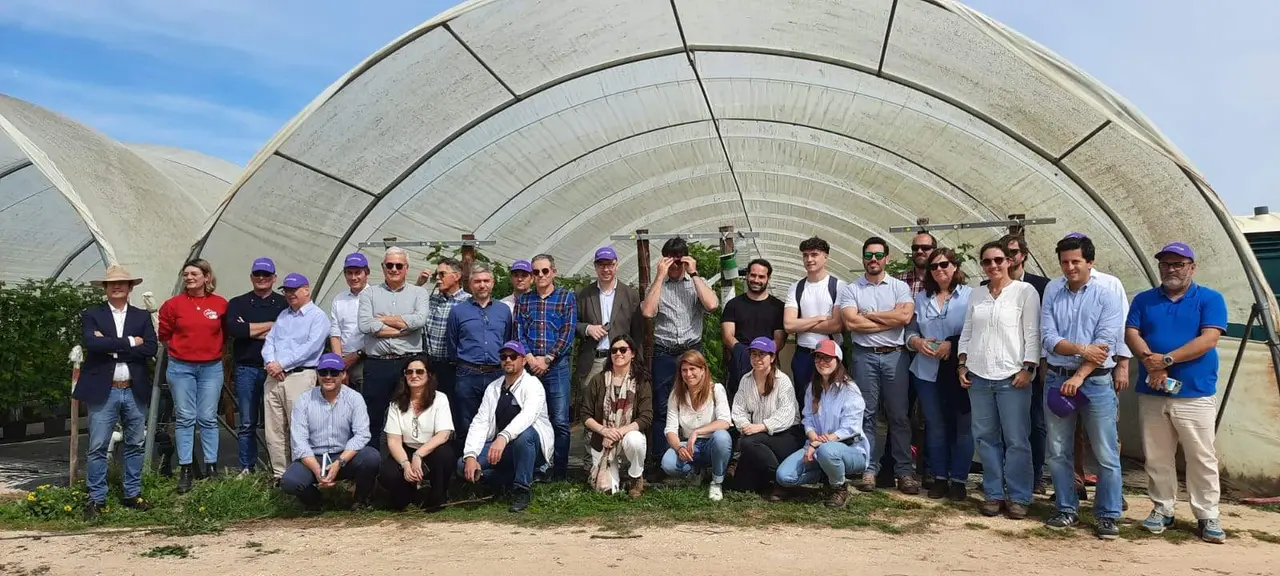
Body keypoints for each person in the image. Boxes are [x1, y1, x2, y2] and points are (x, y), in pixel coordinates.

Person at [1125, 242, 1228, 544]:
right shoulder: (1145, 300)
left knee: (1201, 455)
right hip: (1153, 390)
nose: (1171, 269)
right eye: (1166, 264)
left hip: (1194, 392)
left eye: (1179, 264)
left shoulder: (1209, 298)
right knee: (1157, 455)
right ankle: (1162, 508)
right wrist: (1151, 364)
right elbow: (1132, 332)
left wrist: (1166, 360)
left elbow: (1209, 339)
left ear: (1192, 268)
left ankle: (1207, 514)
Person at [1040, 235, 1126, 539]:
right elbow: (1049, 338)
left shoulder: (1107, 295)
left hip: (1096, 382)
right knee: (1059, 450)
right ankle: (1066, 508)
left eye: (1076, 261)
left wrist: (1079, 375)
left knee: (1104, 451)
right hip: (1057, 377)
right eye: (1065, 261)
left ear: (1090, 262)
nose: (1070, 267)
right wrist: (1081, 348)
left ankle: (1108, 514)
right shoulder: (1053, 289)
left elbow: (1104, 345)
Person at [958, 241, 1041, 519]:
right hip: (979, 375)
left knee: (1017, 438)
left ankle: (1018, 496)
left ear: (1009, 261)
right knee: (985, 437)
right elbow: (967, 331)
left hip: (1011, 376)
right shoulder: (977, 294)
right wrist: (962, 363)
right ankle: (993, 493)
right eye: (987, 262)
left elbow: (1032, 333)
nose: (993, 266)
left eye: (998, 260)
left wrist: (1028, 368)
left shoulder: (1024, 292)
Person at [77, 265, 158, 520]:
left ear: (130, 287)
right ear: (105, 288)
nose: (117, 287)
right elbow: (92, 343)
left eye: (122, 283)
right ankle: (96, 498)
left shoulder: (141, 316)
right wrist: (131, 342)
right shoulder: (92, 314)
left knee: (135, 444)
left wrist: (110, 345)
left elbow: (151, 348)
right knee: (98, 445)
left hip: (133, 388)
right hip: (105, 389)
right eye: (112, 284)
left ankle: (132, 493)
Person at [839, 236, 916, 494]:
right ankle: (869, 468)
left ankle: (904, 471)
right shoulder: (852, 289)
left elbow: (905, 317)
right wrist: (889, 320)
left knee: (899, 416)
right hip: (864, 356)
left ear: (886, 258)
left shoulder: (898, 287)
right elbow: (850, 323)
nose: (873, 260)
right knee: (866, 414)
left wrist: (869, 315)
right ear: (863, 258)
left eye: (878, 255)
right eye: (869, 255)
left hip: (895, 355)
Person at [642, 237, 719, 469]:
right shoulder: (657, 284)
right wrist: (659, 276)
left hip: (691, 350)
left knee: (696, 403)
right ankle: (662, 459)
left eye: (679, 262)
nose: (675, 267)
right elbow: (648, 311)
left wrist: (694, 274)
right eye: (671, 262)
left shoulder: (697, 282)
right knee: (662, 405)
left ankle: (698, 455)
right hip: (665, 352)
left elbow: (712, 305)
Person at [904, 248, 972, 501]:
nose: (939, 270)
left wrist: (951, 344)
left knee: (962, 426)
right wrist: (916, 342)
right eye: (934, 267)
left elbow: (975, 330)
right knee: (935, 425)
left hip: (958, 369)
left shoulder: (971, 296)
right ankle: (940, 477)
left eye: (944, 264)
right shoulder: (922, 298)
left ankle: (959, 480)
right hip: (926, 371)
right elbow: (909, 331)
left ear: (955, 267)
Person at [987, 234, 1051, 494]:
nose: (1008, 259)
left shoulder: (1040, 286)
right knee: (1003, 426)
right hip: (999, 366)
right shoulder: (987, 286)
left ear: (1023, 255)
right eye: (1003, 254)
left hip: (1032, 365)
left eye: (1012, 253)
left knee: (1035, 422)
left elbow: (1042, 328)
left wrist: (1034, 365)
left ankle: (1035, 476)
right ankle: (1002, 477)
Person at [460, 341, 554, 513]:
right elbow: (480, 422)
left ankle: (521, 490)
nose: (508, 360)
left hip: (530, 447)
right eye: (504, 357)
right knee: (462, 464)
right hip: (501, 448)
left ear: (523, 360)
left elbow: (528, 416)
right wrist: (471, 454)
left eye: (513, 356)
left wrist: (503, 437)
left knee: (524, 436)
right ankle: (503, 482)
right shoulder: (493, 387)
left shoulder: (533, 385)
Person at [158, 258, 227, 493]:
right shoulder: (172, 305)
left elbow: (225, 333)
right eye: (186, 274)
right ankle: (185, 469)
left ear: (206, 277)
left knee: (208, 417)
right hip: (181, 368)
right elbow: (165, 334)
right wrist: (182, 352)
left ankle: (211, 468)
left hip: (211, 367)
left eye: (194, 273)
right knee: (186, 417)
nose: (189, 277)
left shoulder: (219, 304)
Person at [775, 340, 870, 508]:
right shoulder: (812, 387)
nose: (822, 362)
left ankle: (839, 488)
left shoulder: (849, 389)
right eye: (818, 358)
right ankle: (826, 475)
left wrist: (818, 443)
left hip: (849, 448)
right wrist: (813, 439)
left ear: (838, 361)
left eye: (827, 358)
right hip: (816, 445)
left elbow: (851, 427)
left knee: (827, 451)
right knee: (784, 476)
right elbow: (808, 419)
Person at [280, 353, 379, 511]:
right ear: (317, 375)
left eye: (334, 372)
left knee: (371, 457)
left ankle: (360, 501)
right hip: (314, 457)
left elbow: (362, 434)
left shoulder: (354, 398)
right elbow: (299, 441)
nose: (328, 377)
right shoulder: (304, 400)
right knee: (289, 482)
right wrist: (317, 470)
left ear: (343, 374)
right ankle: (316, 502)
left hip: (343, 456)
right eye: (323, 372)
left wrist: (339, 463)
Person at [575, 246, 645, 468]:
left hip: (621, 359)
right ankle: (591, 463)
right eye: (601, 265)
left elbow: (637, 332)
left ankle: (621, 462)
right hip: (594, 359)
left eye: (610, 264)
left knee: (623, 408)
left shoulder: (630, 294)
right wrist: (587, 329)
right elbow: (571, 325)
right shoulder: (584, 294)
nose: (606, 269)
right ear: (595, 267)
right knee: (592, 409)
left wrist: (635, 360)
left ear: (616, 265)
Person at [261, 273, 331, 480]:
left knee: (299, 428)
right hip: (274, 376)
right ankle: (279, 475)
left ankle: (303, 474)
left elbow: (310, 348)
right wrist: (271, 363)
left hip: (300, 376)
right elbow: (269, 342)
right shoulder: (283, 316)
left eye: (294, 289)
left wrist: (281, 364)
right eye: (287, 290)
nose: (290, 294)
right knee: (274, 429)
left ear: (306, 290)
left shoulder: (318, 317)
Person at [358, 247, 429, 450]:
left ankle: (409, 468)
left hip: (407, 365)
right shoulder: (369, 293)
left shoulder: (419, 293)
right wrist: (401, 329)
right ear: (383, 267)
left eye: (399, 265)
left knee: (410, 417)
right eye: (390, 265)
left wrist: (381, 320)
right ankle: (370, 468)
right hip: (377, 364)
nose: (394, 269)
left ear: (406, 268)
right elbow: (365, 325)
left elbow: (419, 320)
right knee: (373, 417)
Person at [514, 253, 577, 481]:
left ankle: (559, 472)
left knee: (559, 420)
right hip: (530, 367)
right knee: (530, 418)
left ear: (553, 272)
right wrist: (530, 358)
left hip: (556, 366)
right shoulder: (524, 300)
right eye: (536, 272)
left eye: (544, 271)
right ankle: (535, 467)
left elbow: (567, 332)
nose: (540, 275)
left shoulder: (566, 297)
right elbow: (519, 330)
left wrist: (548, 358)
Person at [224, 257, 287, 476]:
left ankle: (279, 466)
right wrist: (272, 326)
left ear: (274, 278)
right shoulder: (237, 303)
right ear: (251, 277)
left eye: (266, 275)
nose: (262, 278)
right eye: (258, 274)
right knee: (248, 421)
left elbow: (286, 334)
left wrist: (251, 329)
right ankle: (246, 467)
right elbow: (235, 330)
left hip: (277, 369)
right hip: (246, 368)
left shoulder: (284, 303)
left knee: (277, 421)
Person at [447, 262, 512, 448]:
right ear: (470, 284)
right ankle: (465, 467)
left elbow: (507, 340)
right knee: (466, 422)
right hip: (468, 373)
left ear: (492, 283)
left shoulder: (503, 310)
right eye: (477, 281)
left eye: (486, 281)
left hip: (497, 373)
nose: (482, 285)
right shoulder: (458, 311)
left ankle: (492, 467)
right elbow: (452, 343)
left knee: (497, 419)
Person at [729, 337, 802, 499]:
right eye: (753, 354)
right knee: (740, 487)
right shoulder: (746, 380)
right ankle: (768, 478)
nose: (757, 359)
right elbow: (739, 409)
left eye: (762, 354)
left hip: (785, 435)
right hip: (757, 437)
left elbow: (787, 414)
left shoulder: (782, 381)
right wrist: (745, 426)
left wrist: (760, 427)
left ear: (772, 357)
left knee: (747, 442)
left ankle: (782, 481)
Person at [581, 335, 653, 497]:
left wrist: (620, 432)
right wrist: (604, 431)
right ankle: (615, 477)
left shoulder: (641, 381)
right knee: (608, 491)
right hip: (604, 441)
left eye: (623, 350)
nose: (618, 353)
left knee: (634, 439)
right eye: (614, 350)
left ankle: (635, 478)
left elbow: (646, 417)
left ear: (633, 354)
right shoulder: (598, 380)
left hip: (627, 436)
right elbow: (585, 415)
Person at [379, 356, 455, 511]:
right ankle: (408, 494)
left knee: (445, 455)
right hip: (405, 450)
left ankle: (436, 497)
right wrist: (405, 464)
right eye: (409, 372)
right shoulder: (395, 404)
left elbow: (444, 434)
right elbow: (393, 441)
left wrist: (418, 455)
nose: (414, 376)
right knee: (388, 474)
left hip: (432, 448)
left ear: (429, 375)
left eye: (420, 371)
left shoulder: (440, 399)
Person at [783, 237, 846, 408]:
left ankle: (829, 435)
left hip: (830, 354)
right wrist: (818, 318)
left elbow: (836, 325)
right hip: (804, 354)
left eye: (814, 255)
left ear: (825, 256)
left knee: (831, 401)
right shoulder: (796, 288)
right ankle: (807, 434)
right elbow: (788, 325)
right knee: (804, 401)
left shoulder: (838, 286)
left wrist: (801, 323)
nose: (809, 259)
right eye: (805, 255)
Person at [661, 351, 732, 501]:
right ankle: (694, 473)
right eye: (684, 370)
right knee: (667, 463)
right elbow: (670, 429)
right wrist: (679, 448)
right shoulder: (676, 395)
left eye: (693, 369)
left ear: (703, 370)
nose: (688, 374)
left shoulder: (716, 389)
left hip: (711, 443)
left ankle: (717, 482)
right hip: (690, 447)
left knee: (722, 437)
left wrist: (697, 432)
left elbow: (725, 421)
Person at [721, 258, 786, 400]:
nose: (756, 280)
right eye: (753, 275)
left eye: (761, 276)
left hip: (767, 362)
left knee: (768, 400)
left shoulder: (778, 307)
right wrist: (745, 355)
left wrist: (762, 356)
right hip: (739, 360)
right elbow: (727, 335)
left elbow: (779, 340)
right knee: (739, 401)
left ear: (768, 278)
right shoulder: (734, 305)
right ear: (747, 276)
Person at [421, 257, 470, 410]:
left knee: (453, 408)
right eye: (437, 274)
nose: (437, 278)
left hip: (452, 366)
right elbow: (407, 307)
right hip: (430, 364)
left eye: (442, 274)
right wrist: (419, 284)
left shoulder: (468, 302)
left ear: (456, 276)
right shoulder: (431, 300)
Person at [329, 252, 371, 392]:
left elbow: (377, 333)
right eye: (349, 273)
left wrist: (356, 355)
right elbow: (335, 333)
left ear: (366, 273)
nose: (353, 277)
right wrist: (339, 364)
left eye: (357, 272)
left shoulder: (375, 296)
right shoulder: (339, 299)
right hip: (344, 360)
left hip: (366, 359)